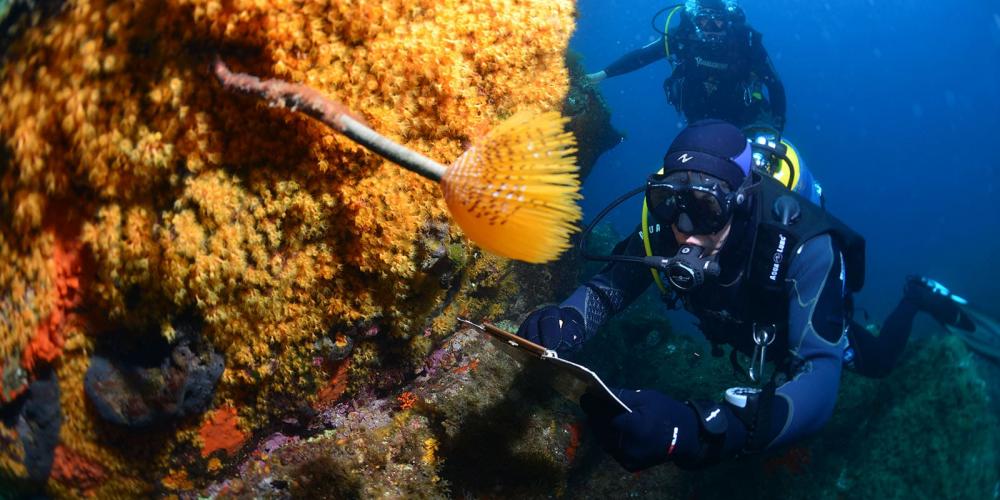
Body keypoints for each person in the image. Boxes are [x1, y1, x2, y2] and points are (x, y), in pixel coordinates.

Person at [516, 120, 970, 471]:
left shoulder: (806, 244)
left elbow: (822, 377)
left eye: (705, 208)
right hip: (739, 330)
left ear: (739, 200)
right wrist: (566, 320)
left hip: (789, 323)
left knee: (878, 362)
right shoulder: (668, 223)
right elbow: (609, 289)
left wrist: (705, 431)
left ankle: (916, 297)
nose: (683, 230)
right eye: (670, 204)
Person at [586, 0, 787, 133]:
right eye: (704, 21)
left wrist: (777, 128)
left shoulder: (745, 40)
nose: (711, 29)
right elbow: (643, 56)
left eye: (718, 22)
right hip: (699, 117)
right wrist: (602, 74)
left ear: (728, 21)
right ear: (695, 20)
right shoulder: (683, 36)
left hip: (745, 117)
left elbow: (774, 84)